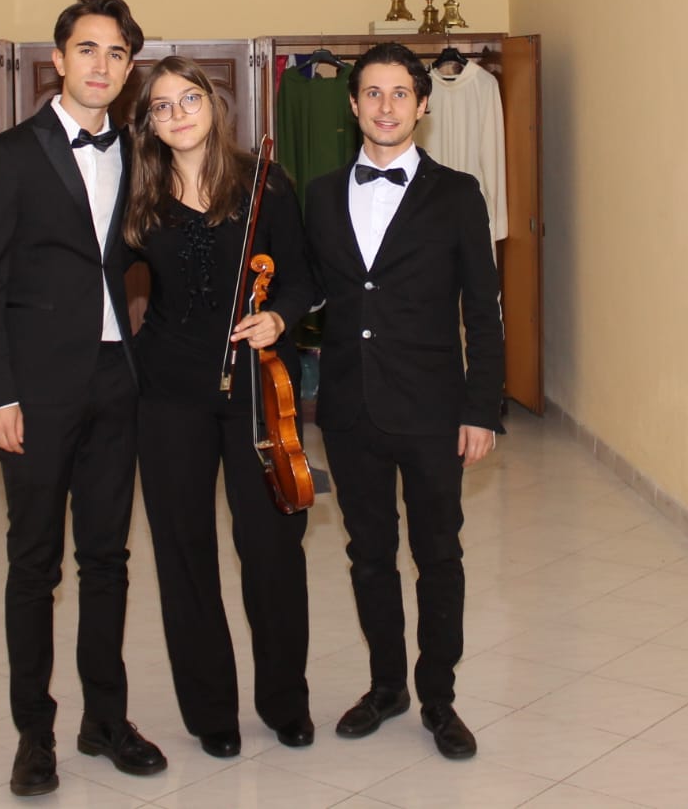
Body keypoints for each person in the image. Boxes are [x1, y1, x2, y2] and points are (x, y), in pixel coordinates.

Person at [0, 0, 167, 797]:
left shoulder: (140, 155)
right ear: (57, 59)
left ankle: (104, 719)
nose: (100, 65)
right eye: (87, 49)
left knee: (108, 559)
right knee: (34, 564)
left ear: (128, 67)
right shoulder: (8, 154)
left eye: (116, 53)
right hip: (36, 392)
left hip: (118, 382)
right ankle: (34, 734)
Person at [303, 42, 504, 760]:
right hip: (349, 408)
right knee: (369, 554)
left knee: (438, 554)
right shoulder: (320, 194)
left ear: (422, 106)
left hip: (432, 410)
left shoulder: (458, 194)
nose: (385, 106)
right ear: (352, 104)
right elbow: (311, 294)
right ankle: (386, 685)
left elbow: (483, 310)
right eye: (372, 93)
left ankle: (439, 698)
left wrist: (481, 408)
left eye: (399, 93)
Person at [121, 57, 317, 760]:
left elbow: (302, 277)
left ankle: (285, 701)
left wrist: (280, 316)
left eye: (190, 98)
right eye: (162, 105)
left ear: (213, 104)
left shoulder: (264, 181)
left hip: (256, 389)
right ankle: (212, 711)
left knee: (272, 549)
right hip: (168, 391)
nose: (178, 113)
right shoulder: (137, 192)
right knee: (183, 551)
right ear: (149, 122)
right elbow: (99, 279)